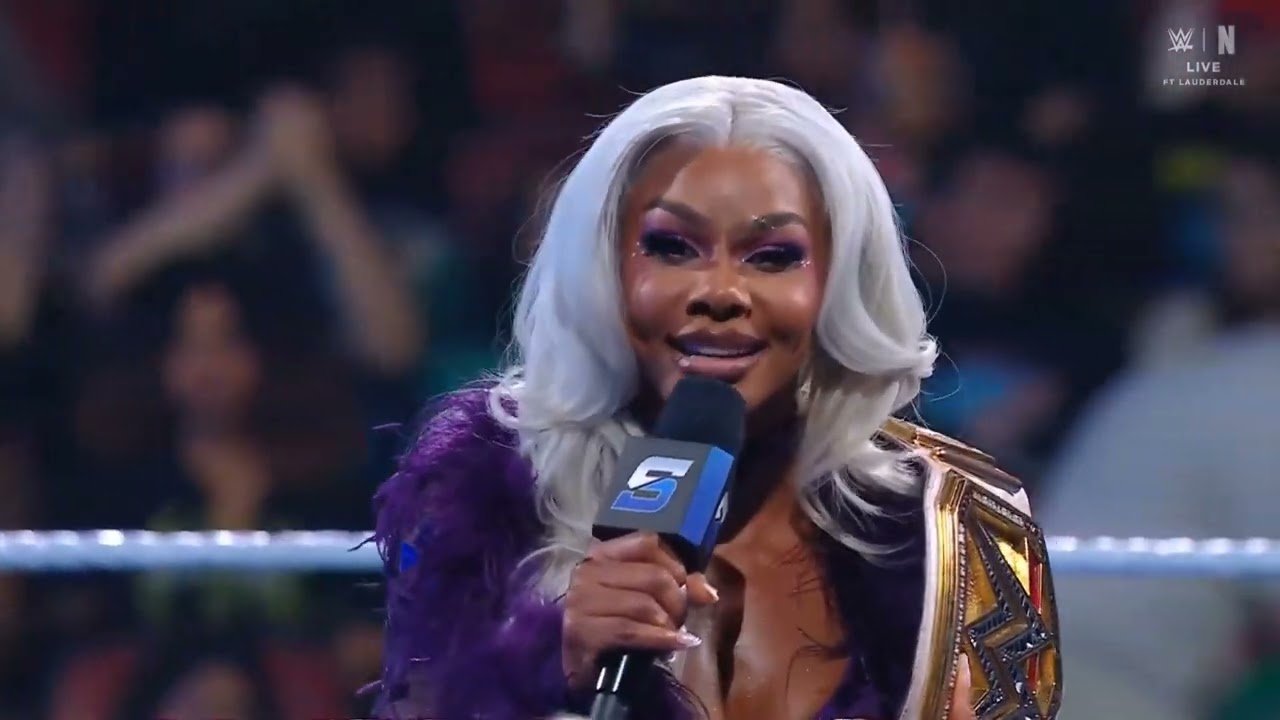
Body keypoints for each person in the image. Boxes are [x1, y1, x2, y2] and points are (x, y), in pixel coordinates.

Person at [372, 76, 1060, 720]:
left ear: (841, 281)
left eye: (773, 256)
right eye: (672, 247)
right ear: (602, 267)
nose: (721, 292)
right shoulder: (482, 494)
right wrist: (544, 665)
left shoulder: (963, 526)